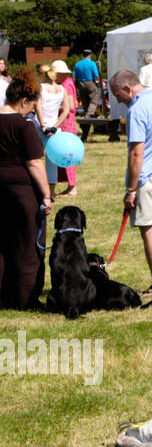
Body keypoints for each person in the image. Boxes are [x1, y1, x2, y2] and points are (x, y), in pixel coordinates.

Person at [109, 69, 152, 297]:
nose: (117, 100)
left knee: (149, 231)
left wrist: (131, 189)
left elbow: (136, 154)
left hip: (146, 176)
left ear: (128, 88)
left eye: (117, 94)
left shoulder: (137, 109)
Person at [0, 69, 53, 310]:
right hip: (21, 192)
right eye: (32, 105)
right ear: (23, 101)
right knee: (28, 245)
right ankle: (24, 299)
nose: (33, 110)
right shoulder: (24, 126)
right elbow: (34, 163)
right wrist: (46, 194)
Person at [37, 63, 74, 199]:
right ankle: (52, 192)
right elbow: (66, 110)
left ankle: (41, 190)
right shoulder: (61, 88)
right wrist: (55, 126)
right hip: (55, 127)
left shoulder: (40, 88)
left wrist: (43, 126)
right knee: (52, 162)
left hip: (40, 127)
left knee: (36, 159)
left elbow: (38, 108)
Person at [73, 50, 100, 115]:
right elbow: (97, 76)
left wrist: (75, 87)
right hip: (90, 83)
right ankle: (89, 115)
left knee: (85, 102)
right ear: (90, 55)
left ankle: (86, 117)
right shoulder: (92, 63)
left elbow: (74, 77)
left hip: (80, 84)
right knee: (94, 100)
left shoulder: (77, 64)